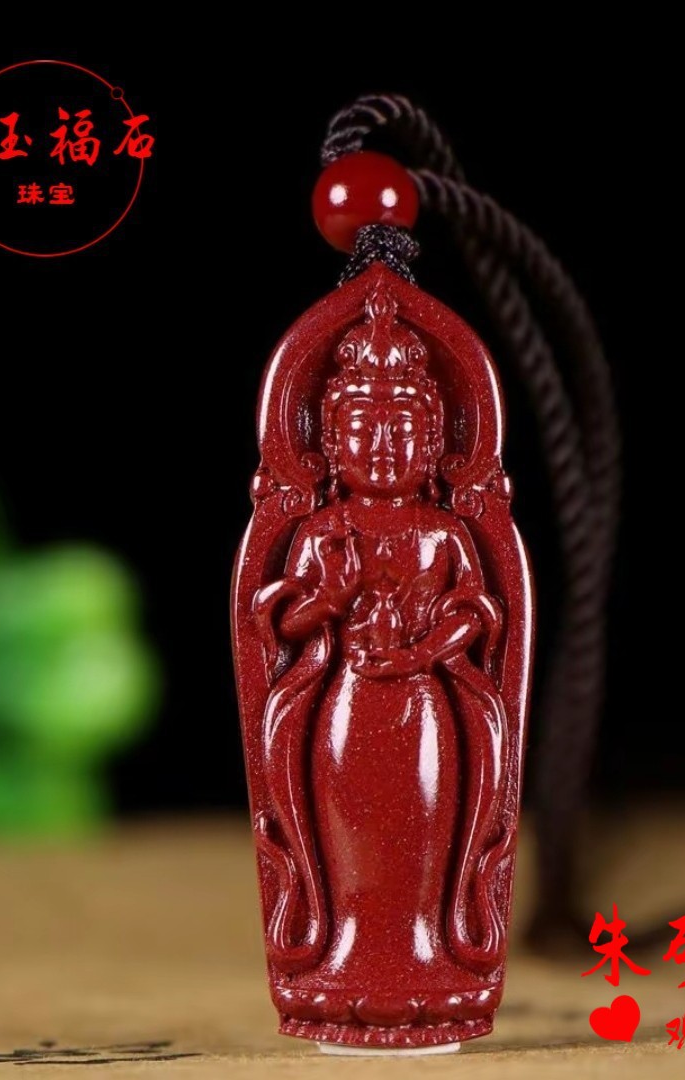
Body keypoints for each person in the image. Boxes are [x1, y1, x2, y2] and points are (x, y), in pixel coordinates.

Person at [252, 287, 512, 1030]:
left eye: (402, 429)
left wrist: (421, 650)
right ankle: (347, 952)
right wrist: (331, 599)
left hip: (423, 712)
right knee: (352, 836)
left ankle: (428, 951)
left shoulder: (442, 532)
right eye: (363, 428)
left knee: (425, 829)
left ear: (432, 441)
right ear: (332, 441)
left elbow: (477, 613)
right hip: (347, 710)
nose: (384, 446)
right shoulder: (324, 531)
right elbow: (286, 624)